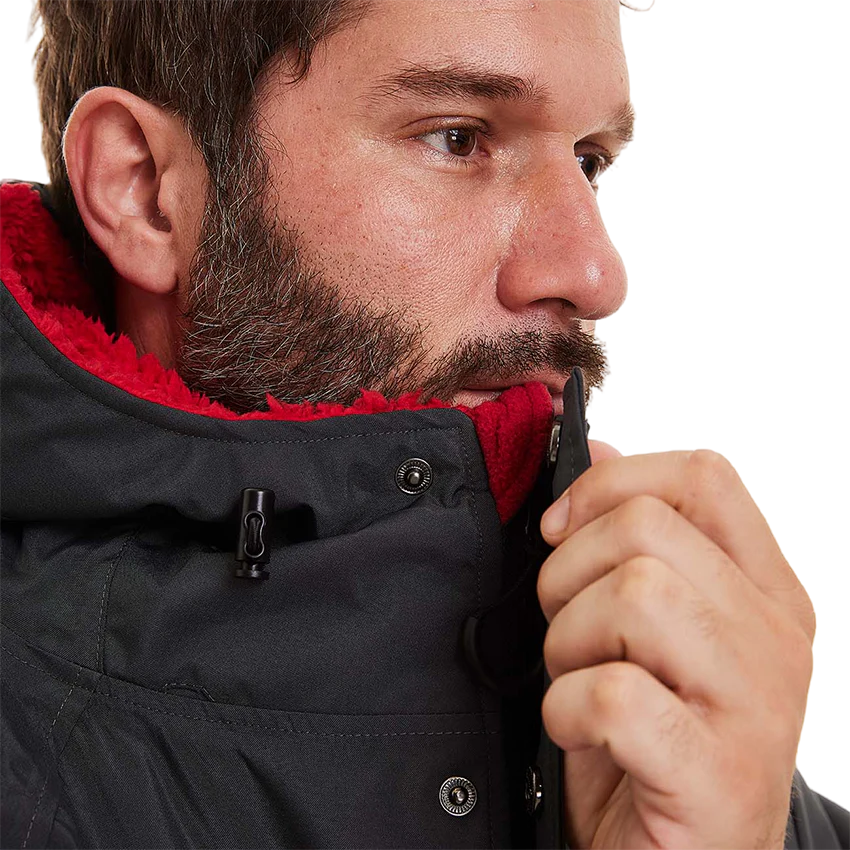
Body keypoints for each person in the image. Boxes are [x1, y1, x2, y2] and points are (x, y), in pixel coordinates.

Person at [0, 0, 847, 847]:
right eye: (458, 138)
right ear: (146, 190)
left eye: (590, 161)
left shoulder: (739, 796)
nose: (593, 274)